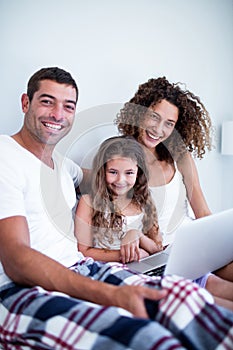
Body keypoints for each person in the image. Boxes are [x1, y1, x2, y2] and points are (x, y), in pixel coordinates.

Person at [0, 68, 232, 349]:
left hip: (87, 268)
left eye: (68, 106)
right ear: (26, 103)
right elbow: (16, 259)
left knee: (188, 303)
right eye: (47, 101)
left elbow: (98, 178)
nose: (58, 114)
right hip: (27, 286)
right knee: (149, 336)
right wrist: (108, 294)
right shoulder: (6, 156)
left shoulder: (62, 165)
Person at [115, 76, 233, 310]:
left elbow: (202, 212)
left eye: (169, 123)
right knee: (219, 296)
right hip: (160, 255)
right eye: (154, 117)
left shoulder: (181, 156)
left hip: (194, 246)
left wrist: (220, 240)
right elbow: (114, 216)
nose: (159, 129)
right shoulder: (120, 157)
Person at [75, 136, 163, 264]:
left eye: (129, 173)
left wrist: (137, 235)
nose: (120, 180)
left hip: (142, 268)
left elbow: (157, 249)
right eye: (113, 172)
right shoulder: (89, 202)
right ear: (102, 170)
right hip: (106, 268)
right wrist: (130, 255)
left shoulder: (145, 201)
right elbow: (83, 251)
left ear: (138, 173)